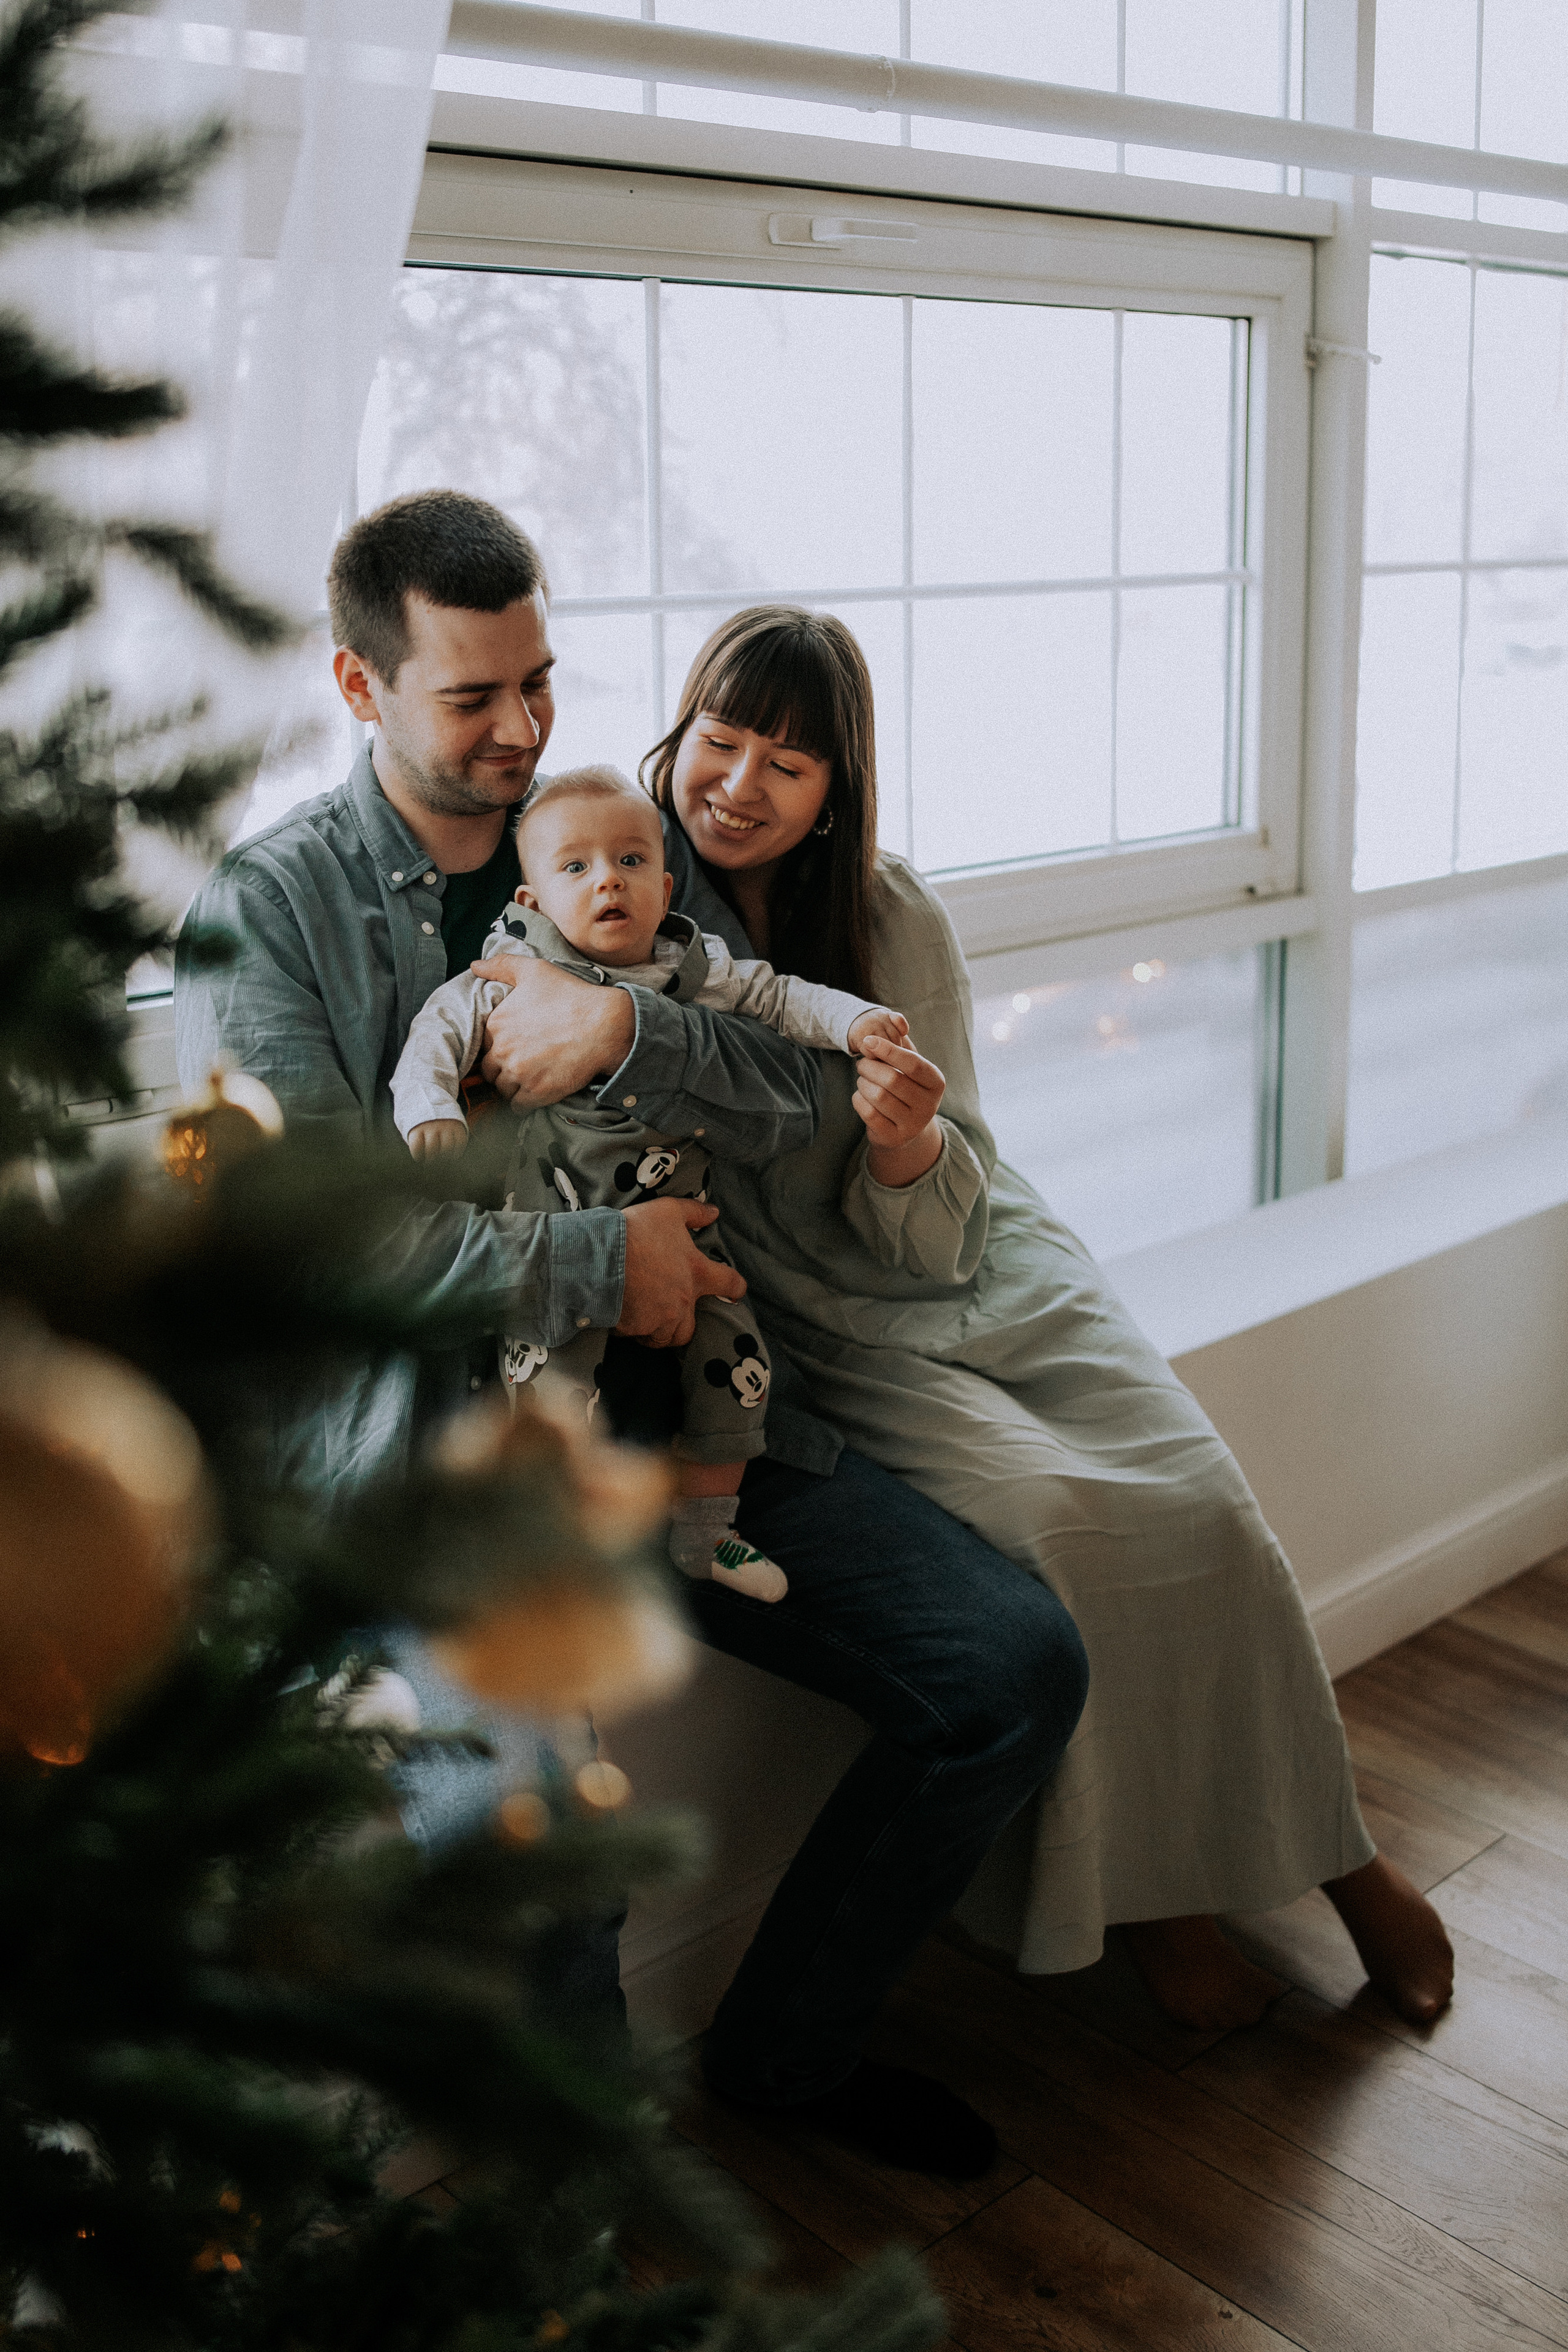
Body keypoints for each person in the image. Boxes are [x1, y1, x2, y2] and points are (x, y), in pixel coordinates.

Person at [175, 490, 1091, 2179]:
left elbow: (767, 1085)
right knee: (538, 1823)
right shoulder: (270, 914)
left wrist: (618, 1038)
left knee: (1011, 1667)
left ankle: (789, 2057)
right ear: (360, 689)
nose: (524, 728)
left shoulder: (604, 840)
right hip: (449, 1469)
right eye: (474, 696)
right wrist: (609, 1261)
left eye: (538, 679)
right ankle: (589, 2231)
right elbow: (338, 1251)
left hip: (687, 1425)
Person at [633, 601, 1457, 2036]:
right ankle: (1157, 1906)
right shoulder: (626, 911)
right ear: (675, 736)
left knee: (1199, 1500)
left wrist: (901, 1148)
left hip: (980, 1256)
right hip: (822, 1322)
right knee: (1062, 1523)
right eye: (721, 739)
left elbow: (962, 1173)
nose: (741, 784)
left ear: (837, 792)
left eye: (789, 760)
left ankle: (1341, 1859)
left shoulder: (892, 914)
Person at [390, 760, 909, 1604]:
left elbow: (782, 1002)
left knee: (740, 1364)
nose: (608, 883)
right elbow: (432, 1038)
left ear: (667, 887)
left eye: (631, 862)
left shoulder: (693, 971)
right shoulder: (506, 975)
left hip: (687, 1230)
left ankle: (707, 1532)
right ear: (529, 902)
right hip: (557, 1226)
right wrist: (429, 1113)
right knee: (554, 1392)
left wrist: (856, 1024)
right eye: (575, 868)